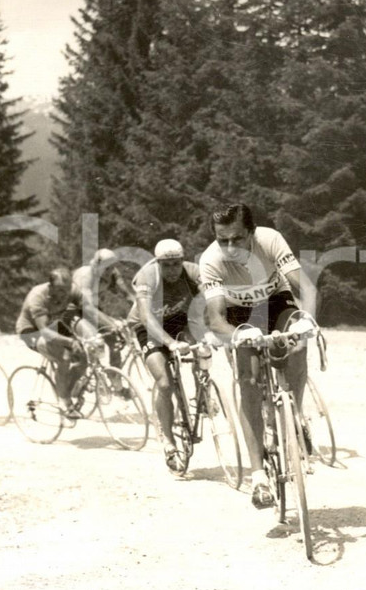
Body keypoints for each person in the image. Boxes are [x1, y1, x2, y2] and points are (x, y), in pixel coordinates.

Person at [200, 203, 307, 509]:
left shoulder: (270, 239)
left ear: (251, 232)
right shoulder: (210, 260)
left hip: (275, 300)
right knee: (248, 379)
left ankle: (295, 415)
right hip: (238, 312)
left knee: (298, 343)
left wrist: (309, 320)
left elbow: (305, 287)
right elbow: (216, 318)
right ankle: (258, 475)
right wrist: (236, 336)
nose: (230, 247)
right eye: (223, 240)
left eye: (237, 238)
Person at [126, 239, 202, 475]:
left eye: (176, 264)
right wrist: (170, 343)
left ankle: (204, 395)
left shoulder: (193, 273)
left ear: (183, 261)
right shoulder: (147, 277)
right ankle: (168, 442)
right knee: (164, 383)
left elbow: (212, 301)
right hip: (147, 327)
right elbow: (147, 318)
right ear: (158, 263)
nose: (172, 270)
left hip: (179, 321)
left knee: (202, 348)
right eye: (166, 265)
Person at [15, 266, 100, 419]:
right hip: (32, 330)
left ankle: (68, 389)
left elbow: (90, 311)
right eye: (60, 290)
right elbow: (45, 331)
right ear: (50, 286)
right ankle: (64, 402)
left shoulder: (72, 290)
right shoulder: (38, 297)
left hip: (54, 324)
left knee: (83, 358)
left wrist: (111, 325)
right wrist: (69, 341)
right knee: (64, 357)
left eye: (67, 289)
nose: (64, 294)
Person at [71, 249, 137, 375]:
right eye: (105, 269)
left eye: (111, 268)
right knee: (94, 341)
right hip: (74, 310)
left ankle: (115, 380)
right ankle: (92, 375)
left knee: (115, 340)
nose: (109, 272)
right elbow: (87, 309)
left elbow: (127, 295)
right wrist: (112, 322)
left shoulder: (112, 272)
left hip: (92, 308)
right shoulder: (86, 276)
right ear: (96, 266)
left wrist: (141, 309)